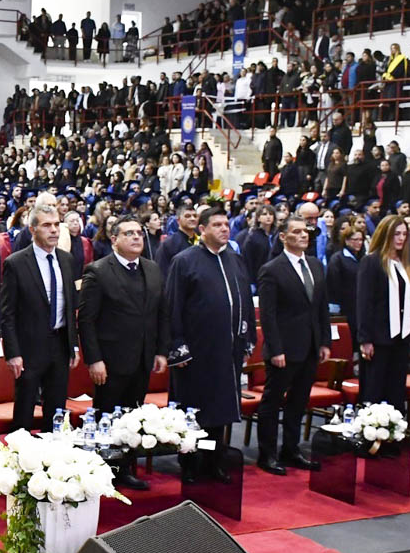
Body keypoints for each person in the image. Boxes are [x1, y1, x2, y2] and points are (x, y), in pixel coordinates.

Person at [77, 215, 168, 490]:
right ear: (114, 239)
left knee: (132, 417)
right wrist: (94, 359)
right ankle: (103, 472)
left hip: (142, 358)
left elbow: (160, 314)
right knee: (107, 417)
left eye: (139, 232)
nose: (137, 237)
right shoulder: (98, 271)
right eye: (129, 233)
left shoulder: (152, 268)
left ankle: (125, 469)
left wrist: (160, 351)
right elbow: (87, 321)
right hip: (110, 361)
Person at [165, 207, 255, 484]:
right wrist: (177, 346)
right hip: (196, 353)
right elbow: (172, 306)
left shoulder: (235, 260)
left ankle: (213, 460)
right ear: (202, 230)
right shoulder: (185, 261)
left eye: (226, 224)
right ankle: (190, 463)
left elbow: (245, 302)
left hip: (227, 352)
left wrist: (248, 338)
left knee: (220, 412)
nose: (224, 229)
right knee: (194, 413)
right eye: (217, 225)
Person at [254, 216, 329, 475]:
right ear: (283, 237)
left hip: (310, 346)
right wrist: (276, 349)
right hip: (284, 349)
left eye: (305, 231)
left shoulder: (315, 265)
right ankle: (267, 454)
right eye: (296, 232)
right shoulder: (272, 269)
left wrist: (324, 341)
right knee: (272, 402)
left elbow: (321, 307)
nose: (303, 235)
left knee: (298, 402)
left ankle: (291, 449)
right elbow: (268, 315)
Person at [0, 203, 78, 433]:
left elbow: (70, 305)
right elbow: (7, 313)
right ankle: (19, 453)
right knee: (24, 411)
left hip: (60, 344)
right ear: (33, 229)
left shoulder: (67, 260)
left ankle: (52, 453)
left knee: (57, 411)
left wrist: (73, 344)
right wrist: (13, 353)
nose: (54, 230)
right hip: (29, 348)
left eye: (56, 225)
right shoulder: (16, 263)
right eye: (46, 225)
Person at [356, 214, 410, 413]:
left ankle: (394, 428)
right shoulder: (371, 262)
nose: (401, 238)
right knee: (375, 389)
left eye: (404, 234)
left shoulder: (404, 263)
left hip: (400, 337)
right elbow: (364, 303)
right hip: (378, 337)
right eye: (396, 234)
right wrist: (365, 339)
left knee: (396, 390)